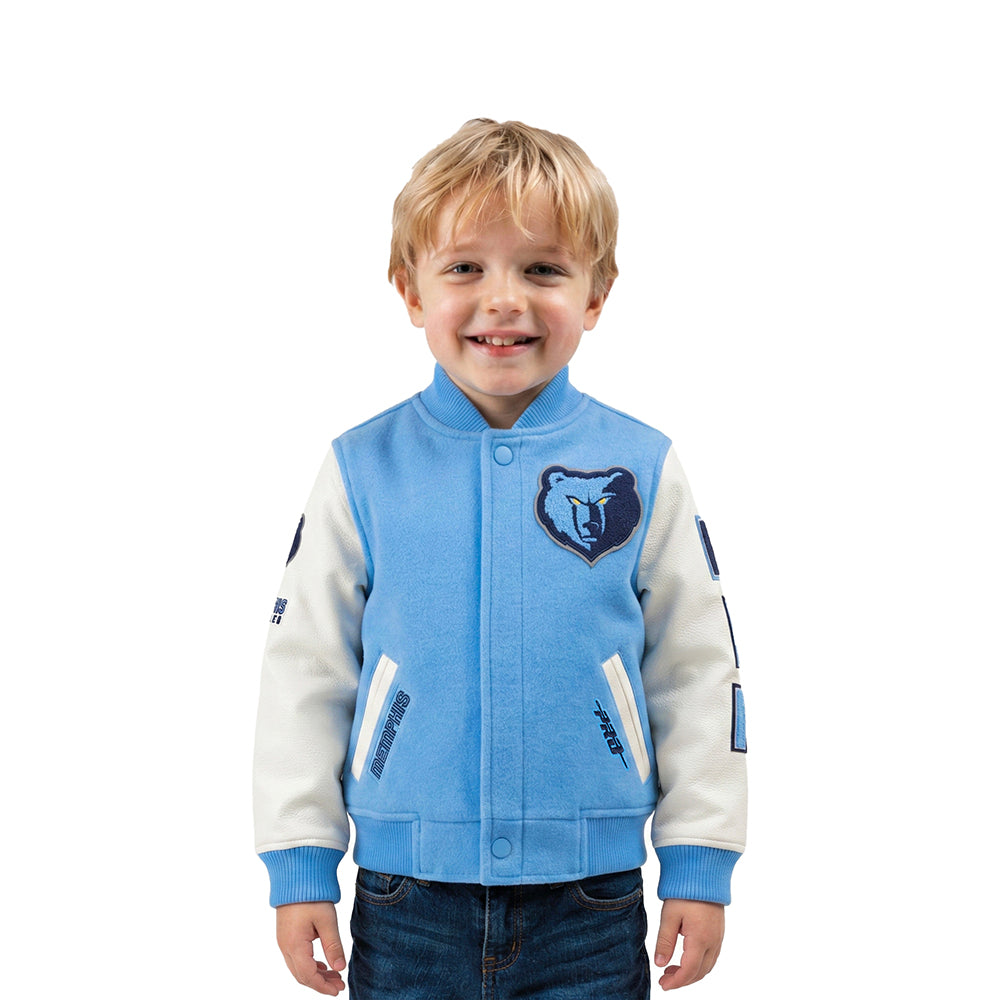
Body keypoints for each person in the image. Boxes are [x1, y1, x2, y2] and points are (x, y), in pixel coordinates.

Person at [253, 118, 747, 999]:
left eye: (544, 269)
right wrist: (300, 863)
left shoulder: (641, 467)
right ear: (409, 290)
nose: (504, 299)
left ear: (597, 295)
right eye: (465, 268)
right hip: (406, 905)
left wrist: (699, 860)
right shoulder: (362, 470)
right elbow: (306, 671)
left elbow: (697, 669)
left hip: (591, 908)